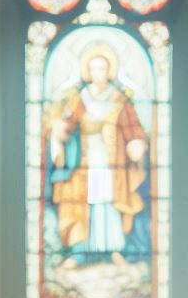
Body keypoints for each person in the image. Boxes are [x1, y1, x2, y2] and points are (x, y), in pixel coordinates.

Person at [46, 43, 151, 269]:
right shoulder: (78, 99)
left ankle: (114, 249)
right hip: (84, 160)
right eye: (93, 69)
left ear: (109, 71)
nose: (98, 74)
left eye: (102, 69)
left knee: (108, 202)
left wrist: (136, 142)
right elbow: (68, 124)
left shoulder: (119, 100)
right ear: (88, 72)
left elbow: (133, 127)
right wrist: (58, 129)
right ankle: (80, 251)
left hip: (111, 160)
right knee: (83, 201)